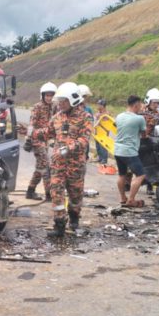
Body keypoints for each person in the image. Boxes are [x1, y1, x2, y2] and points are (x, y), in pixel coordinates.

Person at [31, 82, 92, 237]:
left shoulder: (85, 117)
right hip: (58, 166)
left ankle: (74, 220)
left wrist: (68, 149)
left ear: (73, 100)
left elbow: (85, 140)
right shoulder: (57, 117)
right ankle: (59, 226)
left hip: (75, 166)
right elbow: (48, 133)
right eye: (59, 101)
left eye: (63, 100)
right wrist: (31, 132)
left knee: (75, 196)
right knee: (56, 193)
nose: (60, 104)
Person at [24, 82, 57, 200]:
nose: (49, 98)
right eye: (47, 95)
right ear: (42, 95)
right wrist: (28, 138)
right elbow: (32, 123)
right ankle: (49, 194)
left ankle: (30, 191)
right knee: (46, 166)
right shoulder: (37, 106)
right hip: (37, 140)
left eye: (51, 95)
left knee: (40, 167)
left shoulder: (54, 106)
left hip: (46, 140)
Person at [115, 95, 147, 207]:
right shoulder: (139, 119)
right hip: (129, 151)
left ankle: (123, 198)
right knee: (140, 175)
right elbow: (144, 135)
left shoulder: (119, 116)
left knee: (122, 175)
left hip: (118, 150)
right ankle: (131, 200)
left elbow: (118, 127)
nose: (141, 107)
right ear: (136, 104)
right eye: (140, 104)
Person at [140, 88, 159, 195]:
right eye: (155, 102)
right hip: (138, 140)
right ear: (148, 101)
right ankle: (127, 183)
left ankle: (149, 186)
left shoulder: (157, 114)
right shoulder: (140, 111)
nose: (156, 104)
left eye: (158, 103)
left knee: (150, 164)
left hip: (150, 141)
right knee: (133, 163)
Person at [94, 99, 111, 173]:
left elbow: (105, 121)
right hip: (97, 131)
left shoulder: (107, 113)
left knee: (103, 146)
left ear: (102, 106)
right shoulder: (98, 113)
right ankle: (100, 158)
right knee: (98, 146)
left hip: (104, 132)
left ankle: (104, 160)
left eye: (99, 105)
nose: (97, 106)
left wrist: (99, 116)